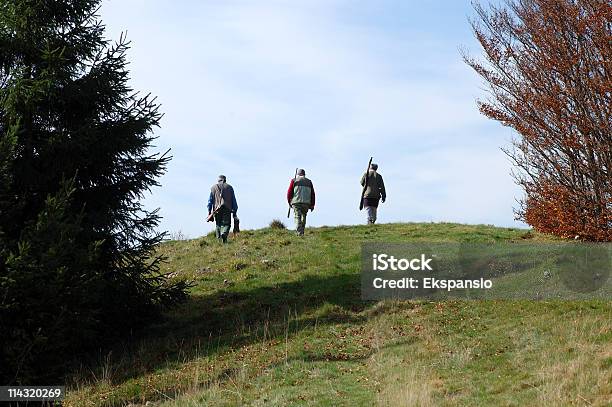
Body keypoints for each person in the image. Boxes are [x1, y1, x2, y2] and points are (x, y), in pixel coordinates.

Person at [207, 175, 238, 243]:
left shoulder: (213, 188)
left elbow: (210, 201)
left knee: (218, 224)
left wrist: (209, 211)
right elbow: (234, 201)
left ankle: (219, 240)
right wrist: (235, 211)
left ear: (219, 180)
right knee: (227, 224)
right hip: (227, 208)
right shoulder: (229, 187)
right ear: (225, 180)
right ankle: (224, 234)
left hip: (217, 210)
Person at [287, 169, 315, 236]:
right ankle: (301, 232)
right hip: (306, 203)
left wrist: (289, 201)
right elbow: (313, 194)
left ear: (298, 174)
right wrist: (312, 205)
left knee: (297, 217)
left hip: (296, 202)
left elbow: (289, 192)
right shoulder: (309, 182)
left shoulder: (294, 180)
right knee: (304, 216)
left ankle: (299, 233)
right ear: (304, 174)